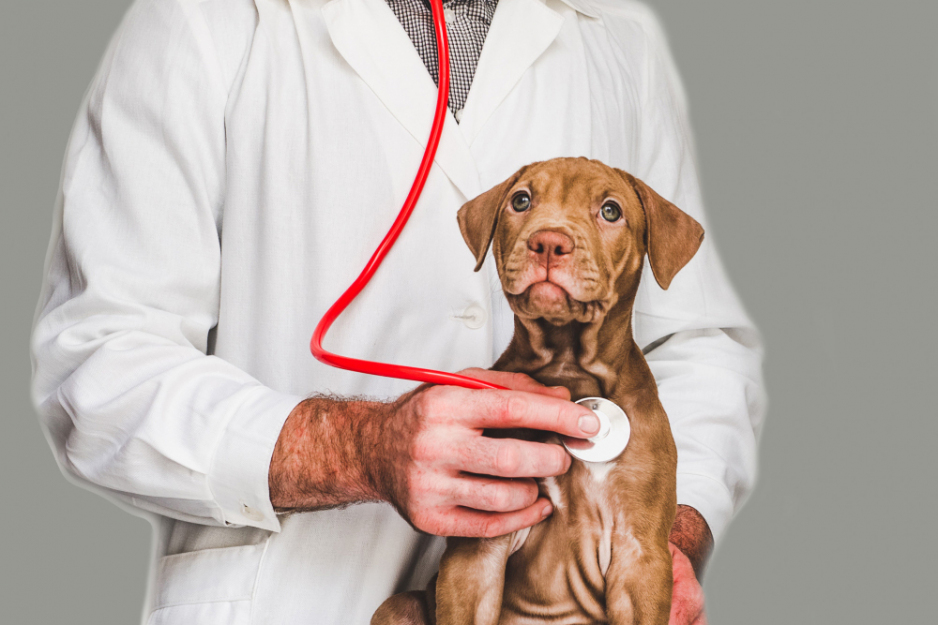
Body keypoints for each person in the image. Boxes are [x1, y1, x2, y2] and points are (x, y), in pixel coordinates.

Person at [30, 0, 765, 623]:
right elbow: (99, 360)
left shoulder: (613, 31)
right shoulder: (201, 18)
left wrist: (659, 536)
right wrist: (359, 447)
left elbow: (696, 343)